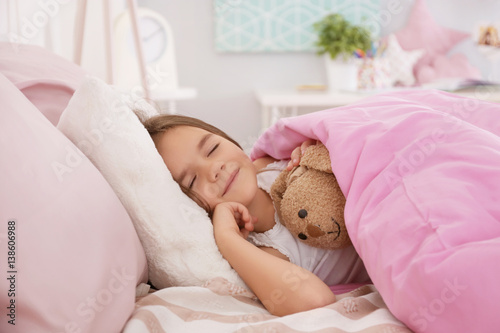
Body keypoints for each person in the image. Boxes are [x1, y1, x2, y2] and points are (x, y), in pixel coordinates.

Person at [140, 114, 369, 316]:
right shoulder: (267, 252)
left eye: (212, 149)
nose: (214, 168)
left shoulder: (274, 162)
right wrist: (227, 238)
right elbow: (315, 300)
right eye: (192, 180)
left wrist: (319, 146)